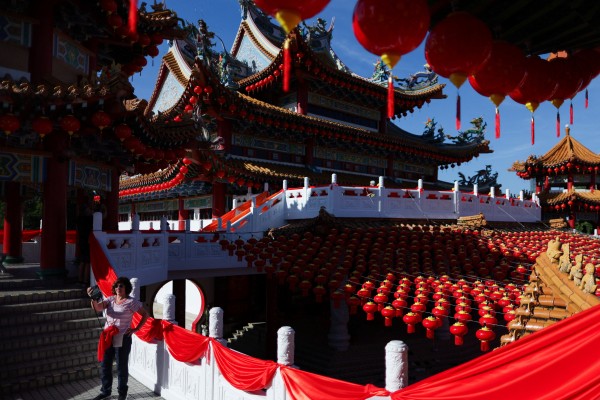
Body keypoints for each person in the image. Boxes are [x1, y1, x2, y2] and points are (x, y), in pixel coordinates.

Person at [88, 277, 149, 400]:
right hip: (108, 336)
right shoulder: (110, 300)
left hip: (123, 337)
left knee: (121, 366)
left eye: (121, 286)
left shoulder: (131, 302)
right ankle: (106, 391)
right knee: (105, 365)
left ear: (126, 288)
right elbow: (98, 308)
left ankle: (122, 393)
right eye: (116, 286)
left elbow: (145, 315)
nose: (118, 288)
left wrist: (136, 329)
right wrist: (93, 298)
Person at [77, 202, 94, 285]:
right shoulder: (89, 219)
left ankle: (80, 280)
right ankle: (85, 280)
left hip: (82, 241)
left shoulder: (79, 218)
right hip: (87, 241)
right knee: (87, 261)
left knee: (82, 261)